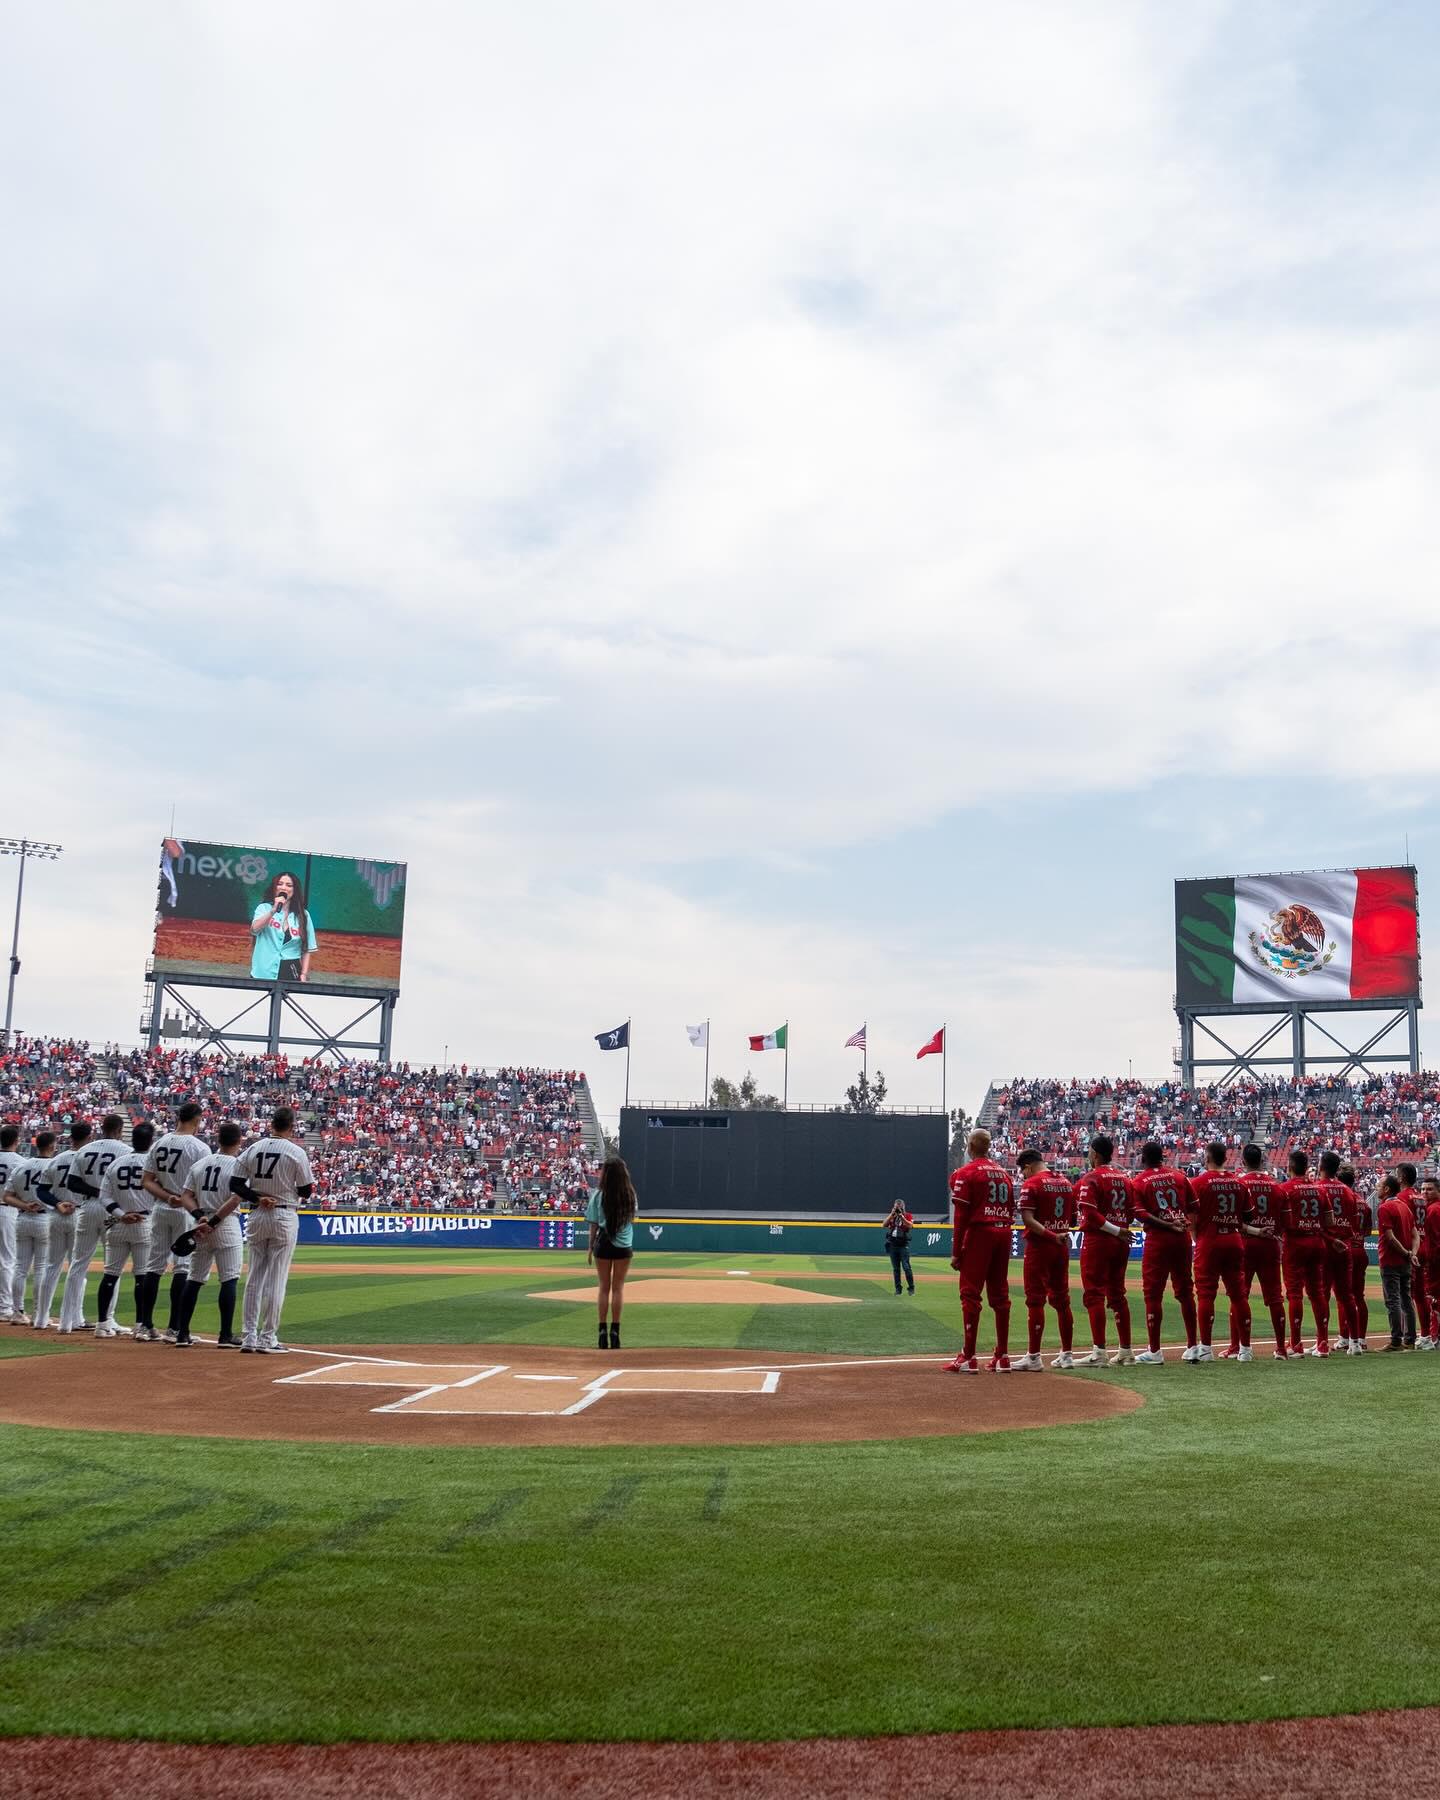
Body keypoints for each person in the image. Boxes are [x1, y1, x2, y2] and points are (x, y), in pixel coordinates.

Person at [209, 1105, 314, 1353]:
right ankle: (268, 1338)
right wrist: (286, 1189)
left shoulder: (253, 1148)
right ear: (292, 1126)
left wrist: (257, 1198)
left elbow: (235, 1184)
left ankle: (248, 1337)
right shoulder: (296, 1152)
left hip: (257, 1215)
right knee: (277, 1279)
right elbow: (307, 1191)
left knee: (254, 1277)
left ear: (272, 1124)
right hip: (284, 1213)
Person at [944, 1128, 1015, 1374]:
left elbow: (961, 1216)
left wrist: (956, 1251)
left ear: (971, 1146)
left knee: (970, 1294)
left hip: (980, 1233)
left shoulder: (966, 1173)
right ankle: (1003, 1356)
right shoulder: (1004, 1174)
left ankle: (968, 1356)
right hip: (1004, 1232)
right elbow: (1011, 1208)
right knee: (1000, 1296)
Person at [172, 1121, 246, 1348]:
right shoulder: (239, 1166)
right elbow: (235, 1199)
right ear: (239, 1140)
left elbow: (185, 1196)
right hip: (225, 1224)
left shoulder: (200, 1164)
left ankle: (182, 1333)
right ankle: (225, 1335)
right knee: (229, 1279)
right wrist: (213, 1222)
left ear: (217, 1140)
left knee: (194, 1279)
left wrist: (199, 1216)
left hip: (201, 1224)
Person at [142, 1101, 210, 1342]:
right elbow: (202, 1185)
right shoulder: (199, 1147)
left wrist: (168, 1196)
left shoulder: (159, 1143)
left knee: (154, 1265)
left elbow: (147, 1181)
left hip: (161, 1207)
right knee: (182, 1266)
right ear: (197, 1120)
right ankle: (175, 1328)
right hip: (186, 1210)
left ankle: (145, 1325)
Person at [58, 1112, 127, 1335]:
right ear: (119, 1130)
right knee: (112, 1266)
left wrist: (95, 1191)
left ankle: (66, 1321)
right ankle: (108, 1320)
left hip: (87, 1207)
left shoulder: (86, 1149)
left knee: (78, 1264)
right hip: (112, 1209)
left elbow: (73, 1183)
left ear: (101, 1128)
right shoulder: (125, 1151)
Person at [1129, 1141, 1196, 1366]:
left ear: (1143, 1159)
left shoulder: (1138, 1181)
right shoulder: (1179, 1177)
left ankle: (1155, 1351)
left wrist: (1167, 1224)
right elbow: (1194, 1206)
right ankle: (1193, 1347)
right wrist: (1181, 1222)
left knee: (1153, 1294)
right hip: (1182, 1238)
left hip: (1158, 1239)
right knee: (1186, 1290)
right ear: (1163, 1157)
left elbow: (1140, 1214)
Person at [1072, 1134, 1135, 1368]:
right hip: (1121, 1242)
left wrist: (1114, 1229)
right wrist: (1120, 1229)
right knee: (1118, 1295)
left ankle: (1099, 1351)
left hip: (1100, 1239)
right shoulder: (1125, 1179)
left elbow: (1090, 1215)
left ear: (1095, 1154)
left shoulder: (1092, 1178)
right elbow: (1130, 1212)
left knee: (1094, 1294)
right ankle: (1126, 1351)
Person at [1187, 1141, 1252, 1364]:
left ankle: (1205, 1348)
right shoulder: (1239, 1183)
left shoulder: (1198, 1183)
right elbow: (1248, 1218)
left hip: (1209, 1241)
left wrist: (1197, 1238)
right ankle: (1245, 1349)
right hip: (1234, 1239)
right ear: (1226, 1158)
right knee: (1239, 1294)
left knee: (1205, 1294)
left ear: (1207, 1157)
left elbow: (1192, 1220)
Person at [94, 1122, 158, 1338]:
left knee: (110, 1275)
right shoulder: (152, 1164)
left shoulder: (116, 1164)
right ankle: (141, 1325)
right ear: (151, 1141)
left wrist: (121, 1214)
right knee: (142, 1277)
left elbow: (104, 1197)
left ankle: (102, 1324)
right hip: (143, 1222)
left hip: (118, 1222)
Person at [1015, 1148, 1075, 1371]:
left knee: (1035, 1300)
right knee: (1062, 1301)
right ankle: (1067, 1354)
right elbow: (1074, 1215)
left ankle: (1033, 1357)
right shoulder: (1066, 1183)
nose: (1023, 1175)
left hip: (1041, 1247)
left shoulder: (1032, 1184)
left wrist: (1051, 1235)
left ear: (1028, 1166)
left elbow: (1028, 1220)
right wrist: (1059, 1234)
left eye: (1023, 1171)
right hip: (1061, 1248)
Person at [1234, 1144, 1290, 1360]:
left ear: (1243, 1161)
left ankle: (1239, 1348)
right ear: (1263, 1160)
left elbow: (1234, 1220)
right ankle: (1281, 1349)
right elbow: (1286, 1222)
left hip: (1245, 1243)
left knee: (1240, 1296)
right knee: (1275, 1297)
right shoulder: (1278, 1188)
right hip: (1270, 1245)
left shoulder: (1239, 1184)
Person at [32, 1121, 86, 1330]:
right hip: (79, 1214)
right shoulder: (86, 1158)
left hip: (56, 1214)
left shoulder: (56, 1160)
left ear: (69, 1138)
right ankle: (73, 1320)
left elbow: (41, 1191)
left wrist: (57, 1203)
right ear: (89, 1138)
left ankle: (40, 1318)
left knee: (52, 1266)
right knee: (77, 1268)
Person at [1278, 1150, 1331, 1357]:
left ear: (1289, 1167)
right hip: (1317, 1242)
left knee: (1294, 1294)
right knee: (1317, 1292)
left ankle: (1296, 1344)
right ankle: (1323, 1344)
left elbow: (1282, 1222)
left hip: (1295, 1243)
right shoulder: (1319, 1190)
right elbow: (1330, 1222)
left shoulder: (1285, 1189)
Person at [4, 1131, 57, 1324]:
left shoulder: (22, 1165)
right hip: (45, 1219)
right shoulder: (54, 1166)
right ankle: (39, 1313)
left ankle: (18, 1312)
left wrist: (25, 1205)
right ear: (51, 1146)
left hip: (23, 1217)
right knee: (42, 1268)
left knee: (20, 1267)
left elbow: (7, 1196)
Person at [587, 1157, 637, 1350]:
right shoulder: (630, 1195)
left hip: (603, 1244)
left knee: (603, 1288)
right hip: (624, 1245)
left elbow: (593, 1224)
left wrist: (590, 1247)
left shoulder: (598, 1195)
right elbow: (630, 1219)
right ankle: (615, 1332)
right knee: (618, 1289)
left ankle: (602, 1332)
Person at [1316, 1151, 1361, 1354]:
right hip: (1344, 1247)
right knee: (1347, 1297)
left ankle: (1322, 1342)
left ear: (1321, 1166)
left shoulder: (1316, 1188)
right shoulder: (1348, 1192)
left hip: (1324, 1247)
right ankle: (1355, 1343)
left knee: (1321, 1295)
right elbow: (1353, 1224)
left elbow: (1314, 1223)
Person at [1375, 1173, 1417, 1352]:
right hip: (1405, 1261)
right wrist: (1411, 1254)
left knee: (1392, 1300)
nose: (1376, 1188)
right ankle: (1410, 1339)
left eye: (1379, 1186)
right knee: (1406, 1299)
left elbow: (1390, 1238)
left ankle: (1396, 1341)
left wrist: (1407, 1253)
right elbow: (1415, 1234)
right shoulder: (1405, 1207)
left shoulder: (1385, 1208)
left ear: (1386, 1189)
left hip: (1391, 1260)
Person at [249, 871, 316, 983]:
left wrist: (304, 974)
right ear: (275, 887)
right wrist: (273, 910)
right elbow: (254, 930)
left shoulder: (304, 915)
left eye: (289, 885)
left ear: (295, 890)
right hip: (263, 971)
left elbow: (307, 948)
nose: (284, 888)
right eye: (280, 884)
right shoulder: (264, 908)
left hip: (290, 971)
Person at [1395, 1164, 1431, 1348]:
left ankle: (1422, 1335)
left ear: (1401, 1177)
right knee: (1420, 1293)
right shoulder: (1420, 1197)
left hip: (1412, 1248)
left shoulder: (1402, 1197)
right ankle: (1426, 1334)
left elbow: (1404, 1226)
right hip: (1424, 1245)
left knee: (1411, 1295)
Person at [1338, 1163, 1370, 1353]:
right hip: (1360, 1250)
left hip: (1345, 1249)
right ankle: (1361, 1338)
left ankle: (1344, 1337)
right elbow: (1366, 1231)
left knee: (1344, 1297)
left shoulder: (1341, 1199)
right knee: (1358, 1297)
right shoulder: (1363, 1203)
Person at [0, 1123, 23, 1322]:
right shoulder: (20, 1162)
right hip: (7, 1211)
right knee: (7, 1259)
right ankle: (5, 1307)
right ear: (16, 1141)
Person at [1418, 1175, 1440, 1352]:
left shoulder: (1433, 1210)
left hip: (1435, 1263)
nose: (1425, 1192)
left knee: (1434, 1300)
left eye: (1429, 1189)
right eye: (1423, 1189)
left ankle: (1435, 1338)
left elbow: (1435, 1241)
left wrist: (1430, 1261)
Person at [883, 1200, 915, 1296]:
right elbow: (883, 1224)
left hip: (903, 1245)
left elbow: (910, 1225)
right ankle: (898, 1289)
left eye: (899, 1207)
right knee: (896, 1269)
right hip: (893, 1244)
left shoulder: (908, 1215)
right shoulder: (892, 1216)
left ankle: (911, 1288)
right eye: (896, 1207)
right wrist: (891, 1214)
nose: (898, 1209)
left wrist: (901, 1216)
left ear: (903, 1207)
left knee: (906, 1267)